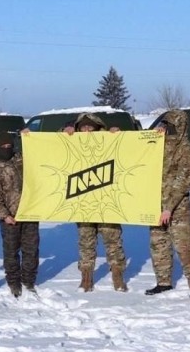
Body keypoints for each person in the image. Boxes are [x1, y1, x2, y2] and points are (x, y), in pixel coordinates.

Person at [145, 110, 190, 299]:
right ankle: (163, 282)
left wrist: (168, 208)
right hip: (155, 205)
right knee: (159, 245)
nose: (166, 128)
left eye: (170, 125)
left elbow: (183, 182)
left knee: (184, 246)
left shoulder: (186, 150)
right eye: (164, 124)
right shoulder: (158, 145)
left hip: (176, 209)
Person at [67, 113, 128, 292]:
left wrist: (117, 133)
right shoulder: (72, 142)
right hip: (83, 202)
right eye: (83, 127)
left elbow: (129, 149)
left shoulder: (109, 141)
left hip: (107, 202)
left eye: (90, 127)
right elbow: (55, 147)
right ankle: (86, 277)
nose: (86, 131)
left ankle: (117, 275)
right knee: (86, 241)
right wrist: (65, 131)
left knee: (113, 240)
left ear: (97, 128)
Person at [0, 131, 38, 297]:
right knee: (11, 251)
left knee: (31, 249)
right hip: (10, 216)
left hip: (30, 212)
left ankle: (29, 280)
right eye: (3, 147)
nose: (7, 149)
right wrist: (4, 215)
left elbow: (38, 152)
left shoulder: (21, 160)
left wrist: (28, 137)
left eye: (9, 146)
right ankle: (13, 281)